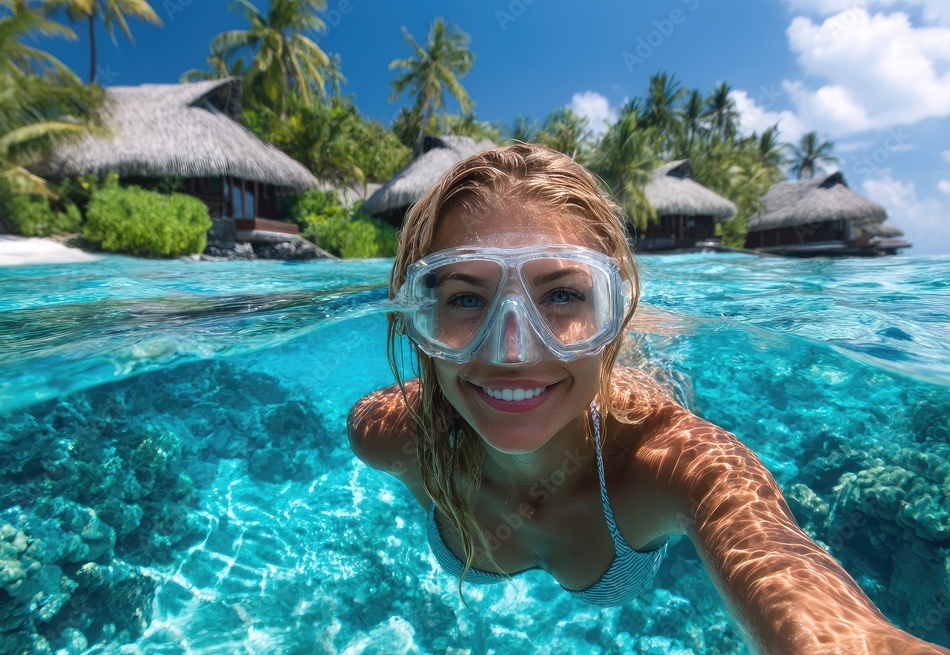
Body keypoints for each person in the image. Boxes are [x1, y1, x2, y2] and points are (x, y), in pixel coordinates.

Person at [347, 143, 950, 654]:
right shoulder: (388, 435)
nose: (512, 351)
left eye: (561, 296)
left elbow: (816, 607)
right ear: (415, 318)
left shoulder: (678, 465)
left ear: (618, 310)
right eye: (463, 298)